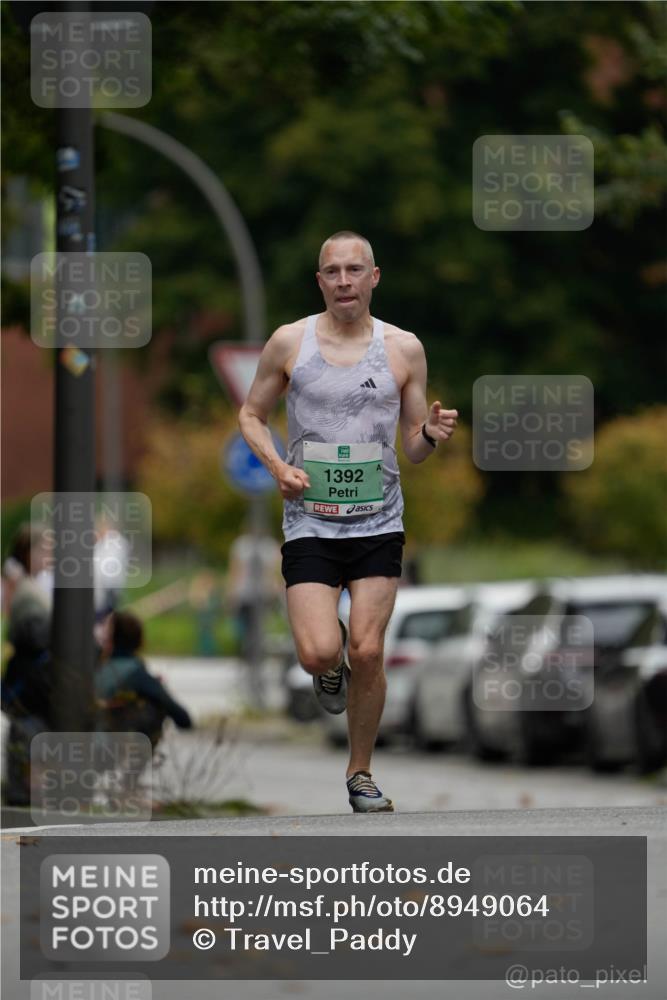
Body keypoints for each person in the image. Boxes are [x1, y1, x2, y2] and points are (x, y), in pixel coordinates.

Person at [239, 231, 458, 812]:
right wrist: (277, 467)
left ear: (373, 277)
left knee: (367, 649)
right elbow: (252, 414)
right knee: (318, 652)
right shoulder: (291, 342)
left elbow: (412, 443)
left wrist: (430, 436)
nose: (343, 281)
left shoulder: (403, 349)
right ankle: (326, 672)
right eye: (332, 271)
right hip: (310, 520)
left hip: (378, 520)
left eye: (353, 270)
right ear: (320, 282)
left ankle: (360, 772)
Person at [95, 610, 193, 751]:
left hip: (78, 743)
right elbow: (183, 719)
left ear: (109, 640)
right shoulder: (134, 673)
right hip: (106, 748)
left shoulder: (95, 667)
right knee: (154, 705)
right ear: (140, 641)